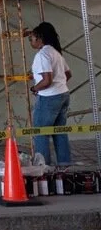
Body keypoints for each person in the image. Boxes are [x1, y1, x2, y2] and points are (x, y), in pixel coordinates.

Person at [27, 22, 72, 167]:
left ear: (40, 38)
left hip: (49, 97)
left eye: (32, 39)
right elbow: (68, 74)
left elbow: (47, 80)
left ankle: (43, 167)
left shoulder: (42, 55)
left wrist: (35, 88)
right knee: (60, 131)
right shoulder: (55, 52)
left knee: (40, 132)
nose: (30, 42)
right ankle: (65, 164)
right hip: (63, 94)